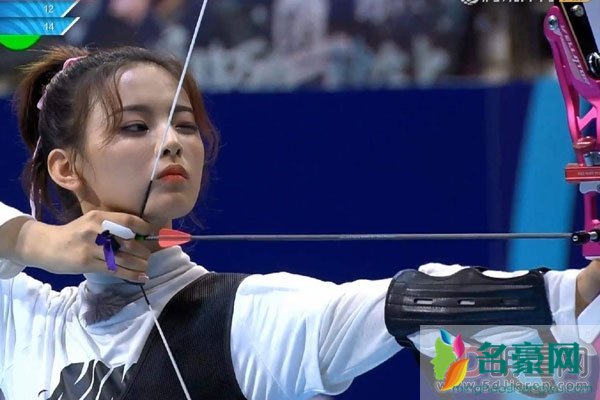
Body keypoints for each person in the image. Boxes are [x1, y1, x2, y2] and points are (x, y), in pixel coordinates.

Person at [0, 45, 598, 400]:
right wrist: (41, 242)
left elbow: (404, 305)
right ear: (66, 167)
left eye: (183, 124)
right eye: (136, 127)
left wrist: (580, 288)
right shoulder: (27, 320)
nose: (172, 142)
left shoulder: (242, 319)